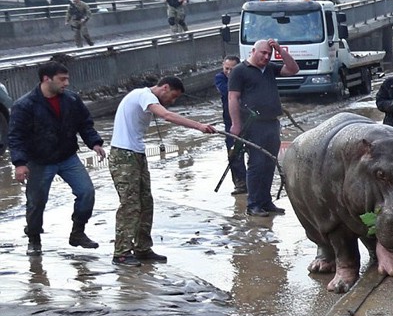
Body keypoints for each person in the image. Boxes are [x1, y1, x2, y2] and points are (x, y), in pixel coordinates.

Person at [109, 77, 217, 266]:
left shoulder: (145, 97)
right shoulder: (143, 95)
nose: (172, 101)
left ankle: (142, 248)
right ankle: (121, 253)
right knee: (130, 205)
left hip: (137, 155)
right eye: (172, 97)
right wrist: (199, 126)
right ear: (165, 87)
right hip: (123, 157)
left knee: (146, 202)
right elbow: (166, 115)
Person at [8, 61, 106, 256]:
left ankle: (78, 232)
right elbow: (15, 137)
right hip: (39, 160)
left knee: (86, 192)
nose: (66, 83)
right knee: (36, 202)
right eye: (62, 79)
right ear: (47, 79)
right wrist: (20, 164)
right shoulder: (25, 105)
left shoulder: (71, 100)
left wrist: (95, 142)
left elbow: (85, 124)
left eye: (67, 79)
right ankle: (34, 238)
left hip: (67, 156)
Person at [228, 39, 299, 217]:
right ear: (253, 51)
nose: (266, 57)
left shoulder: (270, 69)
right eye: (263, 53)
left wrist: (279, 50)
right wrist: (236, 124)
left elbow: (293, 69)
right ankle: (253, 205)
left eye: (269, 54)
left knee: (269, 163)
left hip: (271, 122)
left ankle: (266, 202)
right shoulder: (240, 71)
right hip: (253, 124)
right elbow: (233, 98)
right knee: (257, 163)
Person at [215, 55, 247, 195]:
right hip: (230, 121)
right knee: (234, 152)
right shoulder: (220, 78)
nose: (228, 72)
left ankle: (254, 182)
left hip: (248, 118)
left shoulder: (245, 77)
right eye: (226, 69)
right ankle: (240, 183)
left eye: (232, 70)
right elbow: (227, 91)